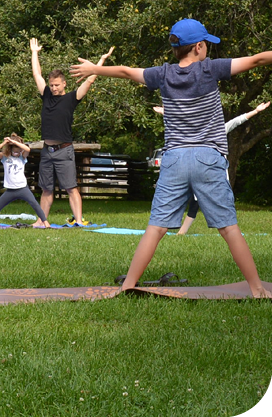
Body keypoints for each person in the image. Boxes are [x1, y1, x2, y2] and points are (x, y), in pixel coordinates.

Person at [71, 18, 272, 298]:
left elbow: (127, 72)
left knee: (156, 228)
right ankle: (257, 288)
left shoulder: (162, 74)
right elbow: (256, 60)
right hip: (208, 159)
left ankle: (128, 285)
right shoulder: (210, 69)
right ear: (200, 47)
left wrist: (95, 69)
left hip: (174, 159)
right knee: (228, 228)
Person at [152, 101, 270, 235]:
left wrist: (256, 111)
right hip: (198, 169)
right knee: (195, 202)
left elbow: (238, 120)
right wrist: (165, 113)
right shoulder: (199, 131)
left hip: (211, 172)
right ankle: (182, 232)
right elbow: (184, 121)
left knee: (209, 203)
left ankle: (183, 232)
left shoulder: (220, 129)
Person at [30, 38, 114, 226]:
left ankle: (78, 220)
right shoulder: (46, 96)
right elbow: (37, 73)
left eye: (57, 85)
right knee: (46, 189)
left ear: (65, 84)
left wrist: (101, 61)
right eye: (51, 85)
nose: (53, 88)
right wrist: (34, 52)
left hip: (64, 150)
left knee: (71, 188)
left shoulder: (71, 98)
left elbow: (90, 79)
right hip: (47, 151)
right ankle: (41, 221)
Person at [0, 133, 50, 228]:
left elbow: (27, 149)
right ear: (10, 149)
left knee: (35, 205)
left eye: (18, 151)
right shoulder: (5, 157)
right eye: (15, 152)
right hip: (10, 191)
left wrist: (14, 141)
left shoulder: (22, 157)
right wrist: (4, 143)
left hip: (23, 189)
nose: (17, 154)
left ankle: (46, 223)